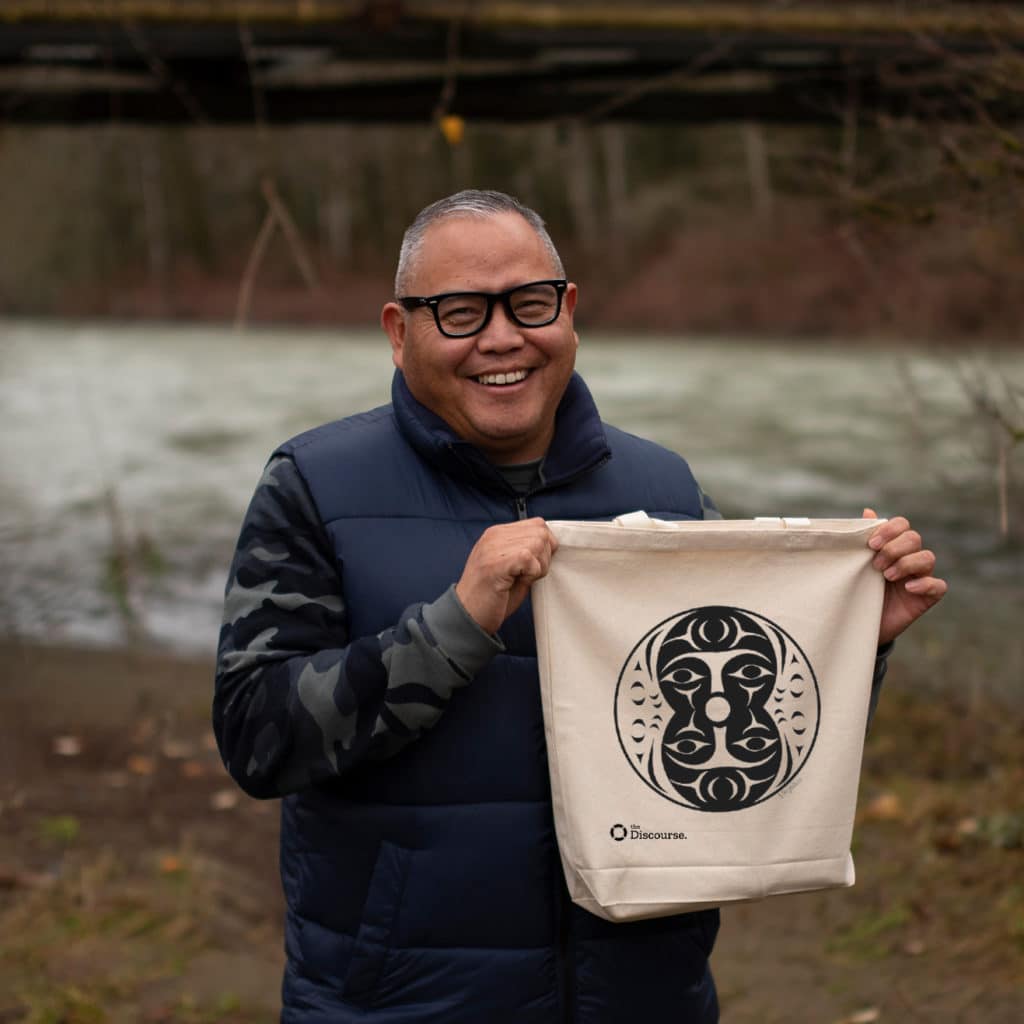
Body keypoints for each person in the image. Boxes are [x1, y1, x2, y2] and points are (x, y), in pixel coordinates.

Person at [213, 189, 946, 1023]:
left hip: (642, 996)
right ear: (397, 329)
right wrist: (453, 625)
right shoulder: (314, 486)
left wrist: (851, 640)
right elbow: (256, 738)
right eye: (459, 311)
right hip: (402, 1000)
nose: (502, 337)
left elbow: (740, 734)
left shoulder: (664, 489)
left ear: (568, 311)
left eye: (529, 303)